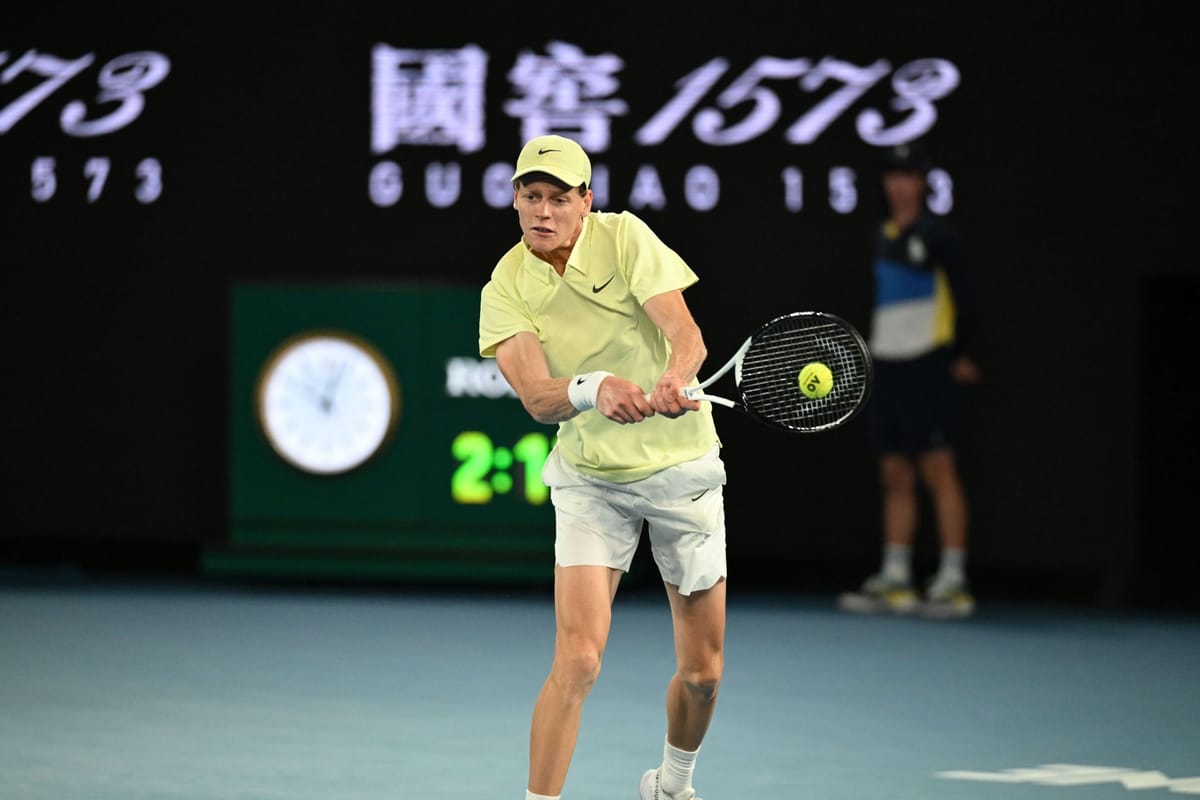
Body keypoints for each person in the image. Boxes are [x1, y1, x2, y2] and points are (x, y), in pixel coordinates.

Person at [478, 134, 726, 800]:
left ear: (586, 201)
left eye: (560, 198)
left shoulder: (624, 238)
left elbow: (686, 334)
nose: (544, 212)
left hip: (682, 469)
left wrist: (674, 377)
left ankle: (671, 784)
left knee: (703, 674)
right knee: (579, 660)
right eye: (532, 196)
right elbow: (537, 397)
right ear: (515, 199)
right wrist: (595, 388)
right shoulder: (505, 286)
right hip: (591, 481)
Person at [838, 140, 982, 619]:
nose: (899, 185)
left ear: (922, 183)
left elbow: (966, 298)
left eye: (909, 176)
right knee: (894, 472)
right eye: (893, 176)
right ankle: (896, 575)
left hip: (929, 364)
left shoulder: (939, 237)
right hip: (888, 365)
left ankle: (952, 580)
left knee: (938, 469)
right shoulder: (881, 235)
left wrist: (961, 354)